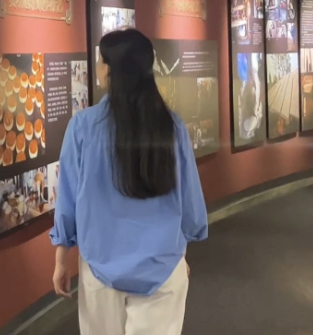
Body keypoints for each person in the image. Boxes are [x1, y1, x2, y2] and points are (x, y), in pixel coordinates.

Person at [51, 29, 208, 335]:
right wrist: (179, 254)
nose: (98, 67)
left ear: (110, 70)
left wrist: (61, 259)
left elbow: (67, 200)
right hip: (162, 268)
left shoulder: (82, 127)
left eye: (100, 61)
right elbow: (189, 201)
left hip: (100, 269)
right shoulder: (171, 126)